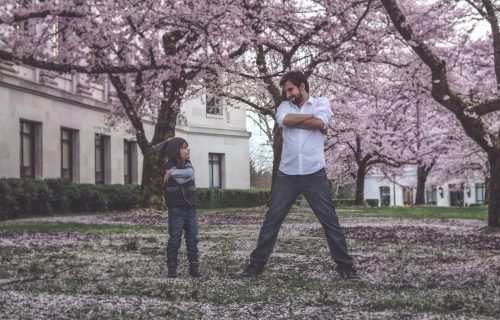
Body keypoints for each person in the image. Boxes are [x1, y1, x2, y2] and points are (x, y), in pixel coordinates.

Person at [241, 71, 359, 280]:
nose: (287, 94)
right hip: (288, 173)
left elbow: (320, 124)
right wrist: (309, 119)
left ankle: (345, 266)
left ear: (302, 86)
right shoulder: (284, 106)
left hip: (315, 172)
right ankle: (256, 265)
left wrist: (302, 121)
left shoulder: (321, 102)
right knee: (272, 220)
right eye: (285, 91)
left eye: (291, 89)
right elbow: (285, 120)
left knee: (329, 220)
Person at [159, 137, 201, 278]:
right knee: (174, 240)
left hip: (191, 209)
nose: (188, 149)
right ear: (176, 150)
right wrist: (172, 172)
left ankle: (194, 268)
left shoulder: (188, 164)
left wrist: (172, 173)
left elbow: (188, 174)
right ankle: (172, 269)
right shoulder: (168, 165)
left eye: (187, 147)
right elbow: (181, 178)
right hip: (176, 209)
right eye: (184, 147)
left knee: (192, 240)